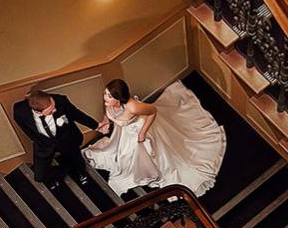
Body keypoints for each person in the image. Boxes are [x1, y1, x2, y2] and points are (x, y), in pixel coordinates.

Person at [83, 78, 226, 198]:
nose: (105, 98)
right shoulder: (110, 103)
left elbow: (153, 111)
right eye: (105, 94)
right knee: (118, 155)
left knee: (151, 155)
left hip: (138, 129)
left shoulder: (133, 107)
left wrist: (142, 133)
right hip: (123, 134)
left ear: (118, 98)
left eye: (109, 96)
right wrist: (106, 122)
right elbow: (108, 113)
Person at [13, 88, 103, 192]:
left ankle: (80, 173)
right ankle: (65, 169)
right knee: (40, 176)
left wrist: (96, 126)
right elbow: (24, 126)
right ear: (38, 112)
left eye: (53, 105)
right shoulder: (19, 110)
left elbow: (77, 114)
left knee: (77, 162)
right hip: (44, 144)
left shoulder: (60, 101)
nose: (55, 110)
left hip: (66, 139)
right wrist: (37, 139)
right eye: (51, 111)